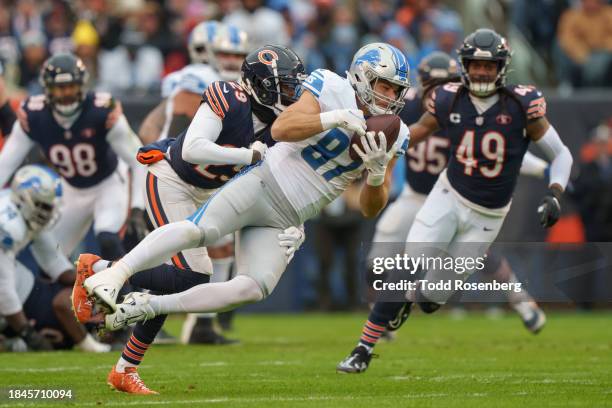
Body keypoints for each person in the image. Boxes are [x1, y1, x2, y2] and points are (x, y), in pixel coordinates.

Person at [82, 42, 410, 341]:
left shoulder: (396, 133)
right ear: (361, 75)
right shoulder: (329, 85)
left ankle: (149, 305)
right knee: (201, 232)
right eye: (385, 85)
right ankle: (115, 272)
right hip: (263, 180)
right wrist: (334, 118)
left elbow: (370, 207)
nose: (390, 96)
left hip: (290, 216)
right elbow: (283, 129)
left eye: (396, 90)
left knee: (253, 287)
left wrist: (377, 174)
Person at [71, 45, 307, 394]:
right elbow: (192, 148)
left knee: (177, 280)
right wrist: (247, 154)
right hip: (171, 178)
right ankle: (98, 267)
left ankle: (124, 369)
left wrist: (296, 225)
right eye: (284, 87)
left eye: (293, 87)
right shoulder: (228, 95)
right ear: (261, 84)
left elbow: (284, 186)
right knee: (193, 274)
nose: (291, 94)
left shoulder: (280, 126)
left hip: (207, 192)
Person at [337, 28, 573, 373]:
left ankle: (409, 303)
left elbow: (561, 154)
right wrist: (383, 145)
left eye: (488, 66)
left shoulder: (522, 103)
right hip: (446, 196)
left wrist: (555, 193)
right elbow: (415, 133)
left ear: (501, 68)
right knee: (403, 269)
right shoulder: (448, 98)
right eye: (475, 65)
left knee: (432, 300)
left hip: (488, 216)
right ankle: (362, 349)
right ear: (464, 65)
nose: (480, 72)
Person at [369, 51, 547, 338]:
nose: (437, 91)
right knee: (377, 261)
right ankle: (383, 315)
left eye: (446, 84)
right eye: (432, 84)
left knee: (483, 258)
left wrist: (544, 170)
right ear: (421, 84)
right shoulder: (410, 106)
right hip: (414, 197)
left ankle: (523, 303)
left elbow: (504, 155)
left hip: (453, 197)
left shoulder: (464, 108)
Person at [137, 21, 249, 345]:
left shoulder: (237, 87)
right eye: (225, 53)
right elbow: (158, 125)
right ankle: (132, 308)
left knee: (219, 248)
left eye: (238, 54)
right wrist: (167, 149)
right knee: (168, 251)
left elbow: (150, 124)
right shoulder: (198, 80)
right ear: (205, 52)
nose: (231, 60)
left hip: (209, 179)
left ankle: (202, 323)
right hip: (178, 175)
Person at [0, 53, 147, 263]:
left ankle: (125, 295)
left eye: (70, 86)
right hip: (71, 188)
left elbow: (138, 158)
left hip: (108, 183)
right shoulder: (34, 115)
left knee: (108, 239)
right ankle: (70, 295)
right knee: (51, 258)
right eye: (59, 88)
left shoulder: (101, 111)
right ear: (47, 89)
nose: (65, 93)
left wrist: (138, 208)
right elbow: (6, 163)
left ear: (82, 85)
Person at [0, 165, 109, 352]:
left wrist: (89, 281)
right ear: (24, 199)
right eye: (43, 206)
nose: (47, 213)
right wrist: (28, 333)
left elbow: (53, 261)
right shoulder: (8, 226)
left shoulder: (22, 212)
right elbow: (4, 289)